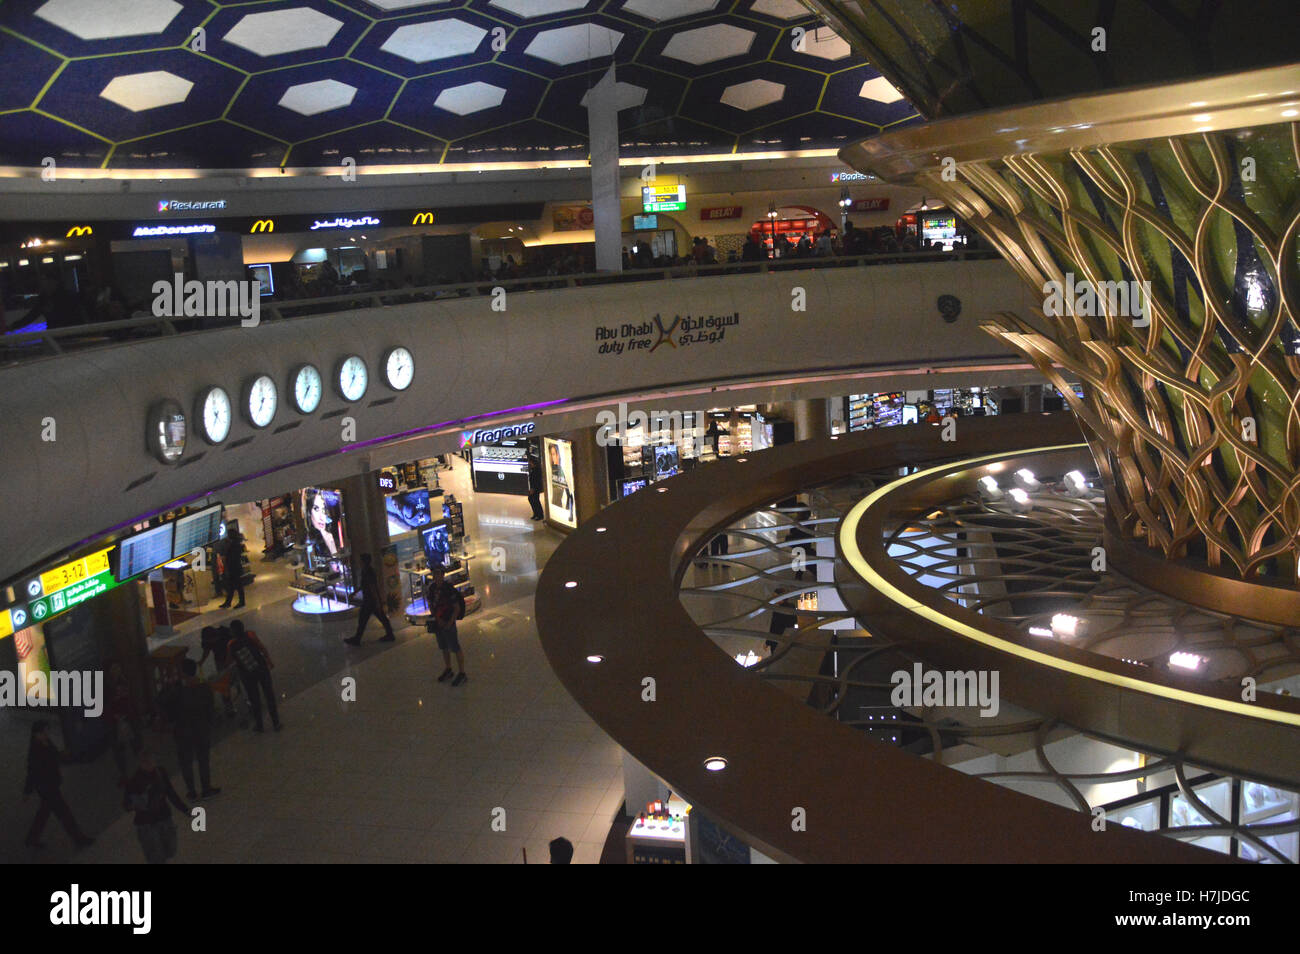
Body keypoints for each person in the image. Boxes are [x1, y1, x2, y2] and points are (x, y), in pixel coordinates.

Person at [23, 721, 93, 850]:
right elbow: (32, 771)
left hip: (49, 785)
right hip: (47, 787)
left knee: (44, 813)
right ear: (36, 734)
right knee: (64, 814)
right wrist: (27, 790)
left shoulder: (46, 742)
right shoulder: (35, 750)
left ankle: (31, 839)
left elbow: (54, 756)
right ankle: (79, 838)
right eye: (43, 732)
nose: (46, 734)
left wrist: (62, 755)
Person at [158, 658, 220, 800]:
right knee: (203, 760)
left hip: (182, 732)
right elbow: (210, 709)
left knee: (186, 762)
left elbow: (161, 702)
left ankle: (191, 791)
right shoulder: (204, 688)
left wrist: (168, 686)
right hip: (202, 730)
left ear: (182, 674)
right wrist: (209, 725)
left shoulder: (177, 691)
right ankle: (206, 789)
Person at [123, 750, 188, 864]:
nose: (150, 765)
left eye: (151, 761)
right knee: (156, 855)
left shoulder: (160, 772)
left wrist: (185, 809)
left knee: (171, 848)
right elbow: (127, 805)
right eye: (146, 762)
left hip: (164, 817)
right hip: (147, 824)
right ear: (141, 764)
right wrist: (136, 803)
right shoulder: (134, 781)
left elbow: (170, 792)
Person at [227, 619, 281, 732]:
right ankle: (276, 722)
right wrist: (268, 661)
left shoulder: (231, 644)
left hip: (247, 674)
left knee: (254, 699)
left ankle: (259, 725)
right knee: (269, 694)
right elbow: (261, 647)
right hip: (261, 668)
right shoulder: (250, 635)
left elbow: (231, 661)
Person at [425, 565, 467, 686]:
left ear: (443, 574)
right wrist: (437, 619)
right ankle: (448, 669)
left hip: (449, 622)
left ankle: (462, 672)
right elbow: (431, 604)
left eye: (438, 573)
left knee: (455, 646)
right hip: (439, 623)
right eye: (434, 573)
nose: (436, 576)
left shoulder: (448, 589)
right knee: (443, 647)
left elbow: (456, 608)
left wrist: (449, 622)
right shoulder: (432, 588)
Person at [345, 552, 395, 645]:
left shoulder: (368, 572)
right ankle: (390, 634)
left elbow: (372, 587)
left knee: (364, 619)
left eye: (360, 561)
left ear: (363, 562)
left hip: (370, 600)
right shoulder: (366, 571)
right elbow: (365, 586)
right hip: (371, 600)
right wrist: (355, 593)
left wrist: (377, 601)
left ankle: (357, 639)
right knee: (380, 617)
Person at [199, 624, 239, 718]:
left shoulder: (226, 632)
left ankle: (240, 690)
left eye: (211, 641)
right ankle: (229, 707)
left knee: (236, 677)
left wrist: (231, 659)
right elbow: (206, 650)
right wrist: (201, 661)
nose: (209, 643)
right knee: (224, 684)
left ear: (215, 637)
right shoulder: (207, 640)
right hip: (220, 661)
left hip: (234, 659)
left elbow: (236, 644)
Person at [304, 489, 343, 563]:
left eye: (323, 510)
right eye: (316, 509)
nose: (322, 517)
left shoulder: (334, 535)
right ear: (309, 511)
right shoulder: (309, 541)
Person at [218, 525, 245, 609]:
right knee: (233, 586)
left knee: (236, 585)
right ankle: (229, 602)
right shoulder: (236, 544)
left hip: (234, 568)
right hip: (235, 567)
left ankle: (240, 602)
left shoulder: (234, 545)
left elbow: (232, 557)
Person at [527, 456, 544, 521]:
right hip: (533, 487)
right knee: (532, 500)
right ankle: (536, 514)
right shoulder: (533, 469)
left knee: (535, 500)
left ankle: (539, 515)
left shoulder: (536, 470)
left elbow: (536, 480)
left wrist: (533, 488)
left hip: (535, 488)